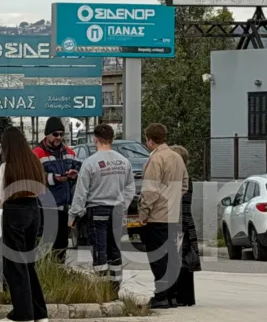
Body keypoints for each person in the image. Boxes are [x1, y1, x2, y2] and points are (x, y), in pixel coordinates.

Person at [68, 124, 139, 290]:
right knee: (115, 249)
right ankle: (115, 287)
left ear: (95, 140)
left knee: (100, 250)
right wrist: (123, 205)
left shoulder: (90, 163)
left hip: (97, 211)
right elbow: (130, 189)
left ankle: (102, 289)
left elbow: (81, 192)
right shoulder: (124, 161)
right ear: (112, 139)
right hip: (117, 211)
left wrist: (73, 215)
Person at [0, 126, 50, 322]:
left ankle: (23, 313)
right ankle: (39, 311)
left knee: (14, 264)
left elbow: (0, 200)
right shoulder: (33, 161)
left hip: (14, 212)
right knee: (28, 263)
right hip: (34, 210)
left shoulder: (6, 167)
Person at [137, 123, 188, 309]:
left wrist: (143, 213)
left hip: (157, 216)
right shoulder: (177, 157)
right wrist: (173, 198)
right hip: (173, 215)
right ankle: (172, 296)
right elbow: (184, 185)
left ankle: (161, 296)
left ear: (149, 140)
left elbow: (150, 191)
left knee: (158, 257)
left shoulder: (156, 160)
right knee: (172, 256)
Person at [33, 117, 80, 264]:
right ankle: (44, 276)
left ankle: (59, 276)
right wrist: (53, 178)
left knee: (61, 248)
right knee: (44, 247)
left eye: (61, 134)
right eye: (55, 134)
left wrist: (74, 174)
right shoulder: (37, 153)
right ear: (47, 134)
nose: (58, 137)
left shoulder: (69, 152)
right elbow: (33, 177)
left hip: (64, 209)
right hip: (45, 209)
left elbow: (80, 168)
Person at [170, 145, 201, 307]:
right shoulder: (187, 178)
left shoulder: (179, 180)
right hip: (185, 221)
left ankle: (179, 295)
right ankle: (187, 296)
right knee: (184, 257)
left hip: (178, 222)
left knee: (179, 258)